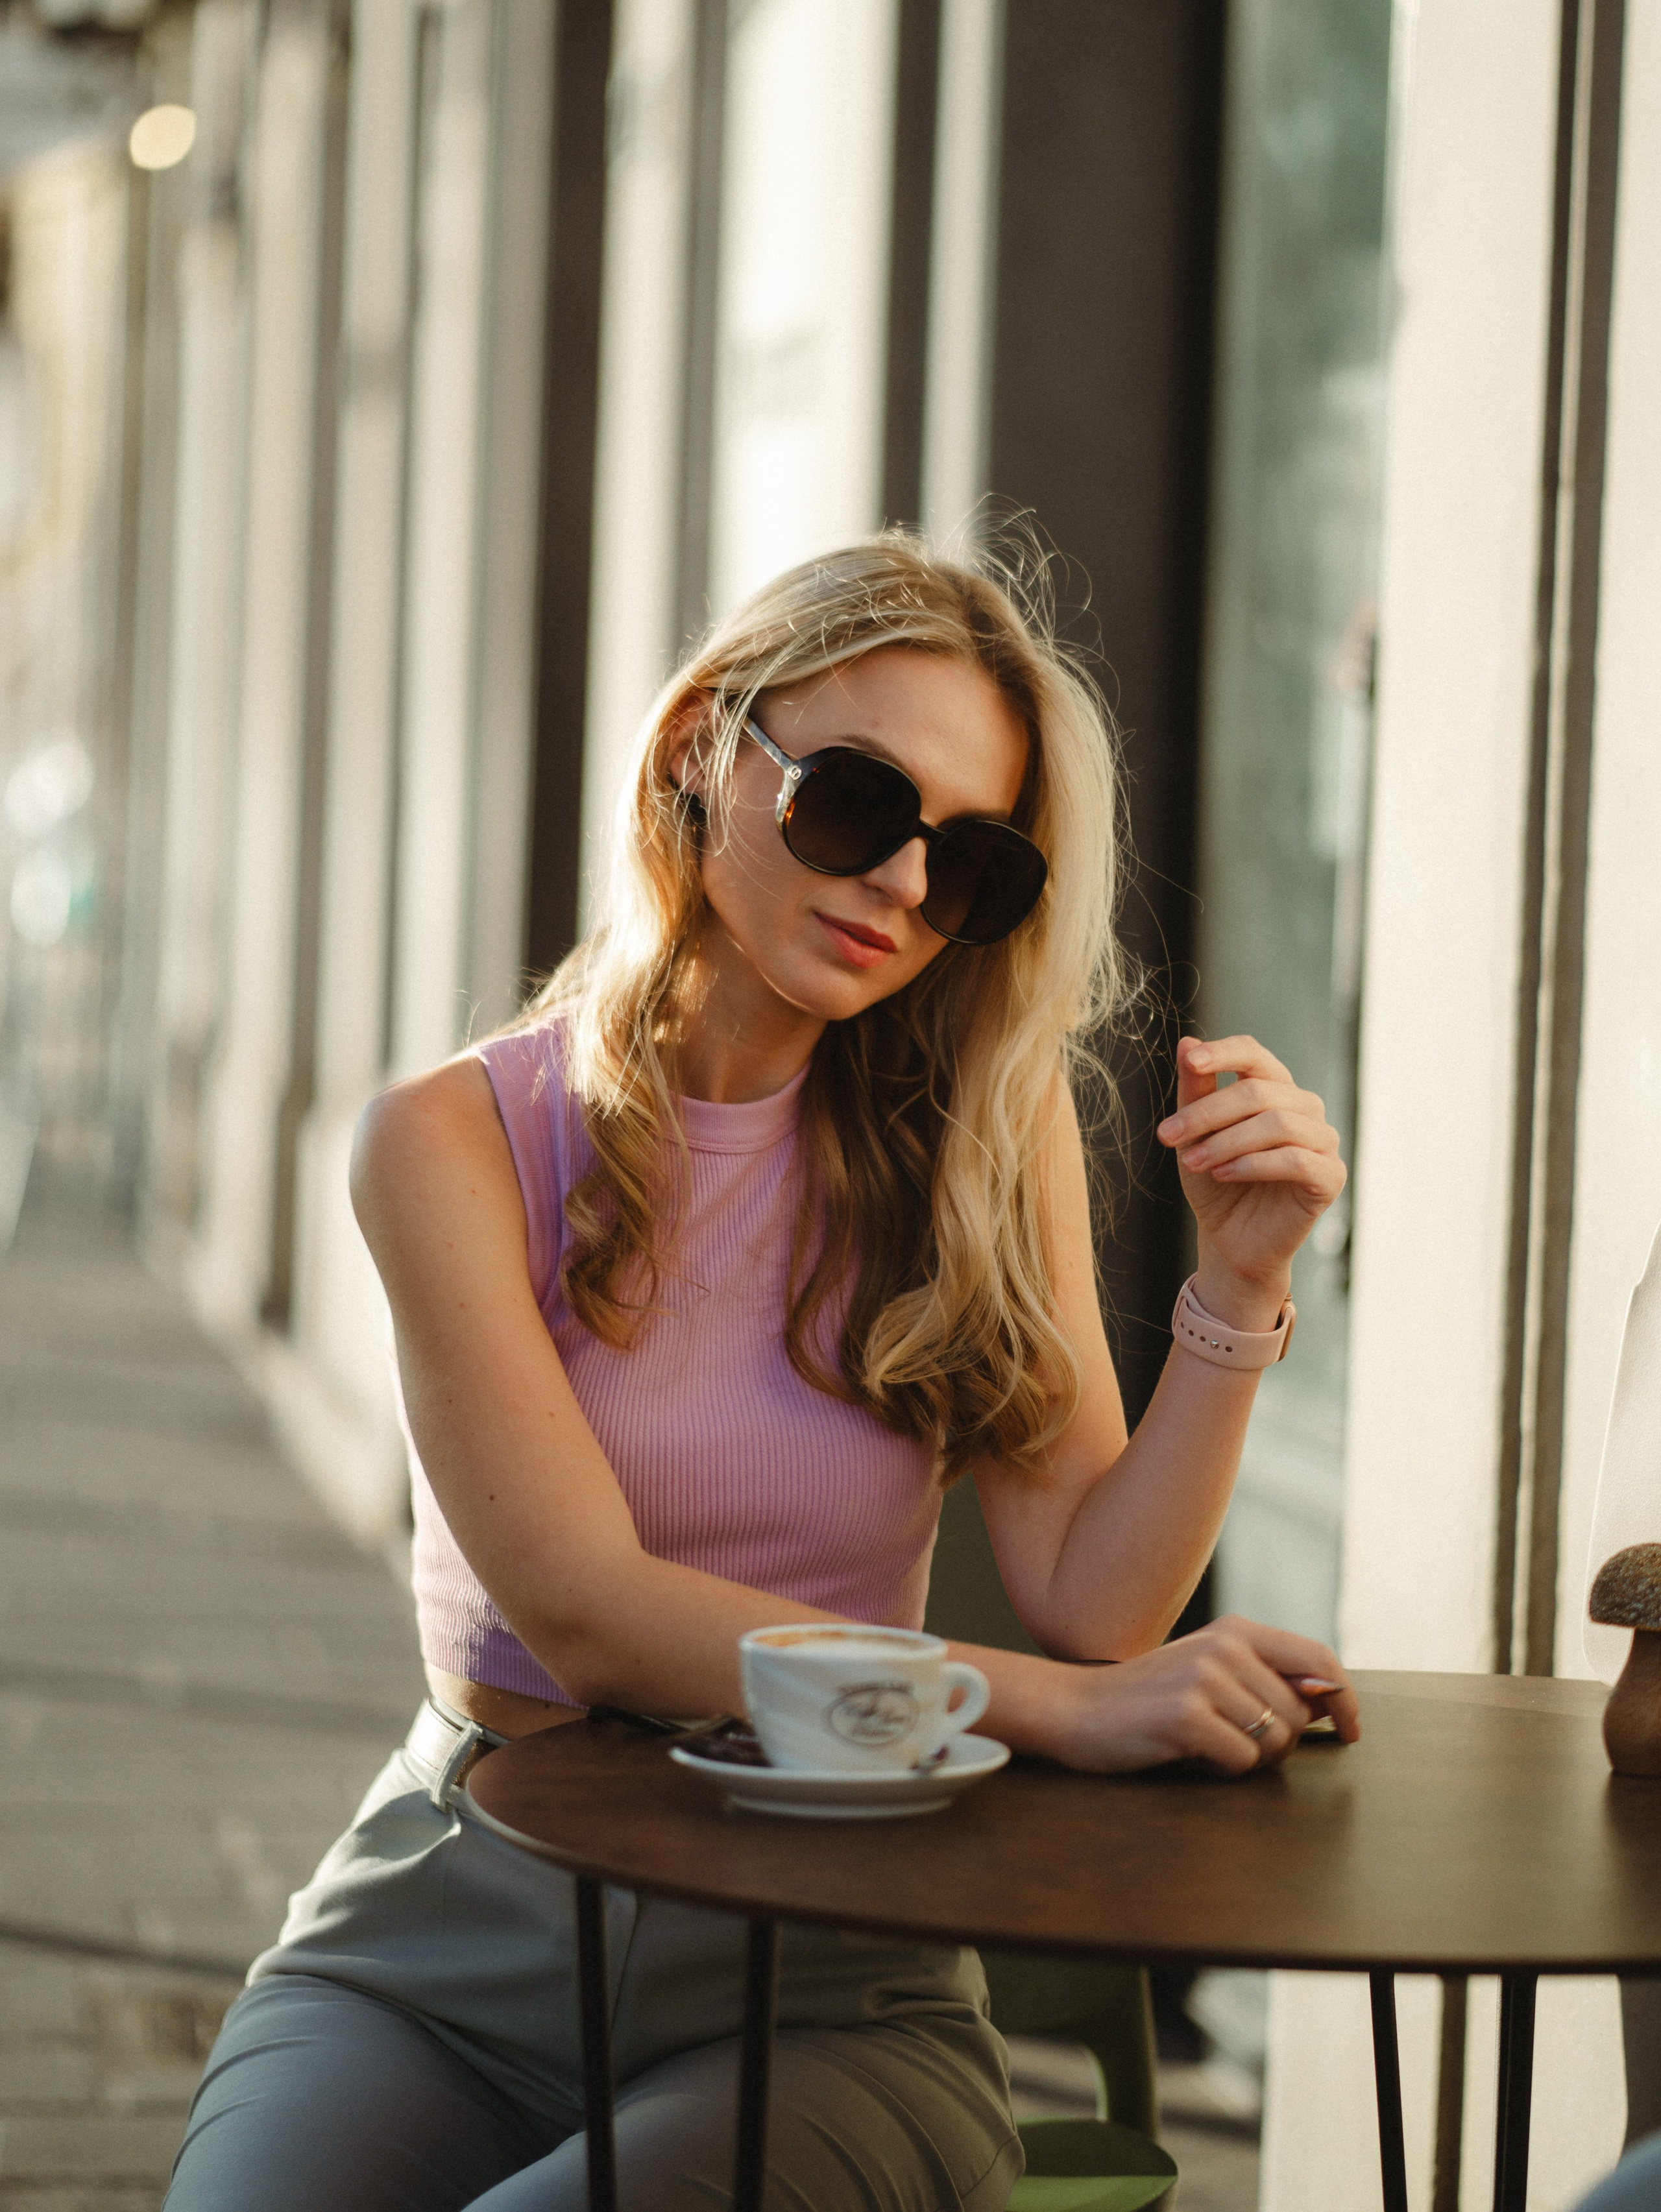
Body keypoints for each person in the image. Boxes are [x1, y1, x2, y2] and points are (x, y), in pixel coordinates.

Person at [164, 535, 1357, 2211]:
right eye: (857, 804)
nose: (897, 886)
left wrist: (1240, 1284)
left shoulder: (980, 1142)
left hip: (833, 1983)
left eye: (972, 864)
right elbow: (583, 1609)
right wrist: (1051, 1711)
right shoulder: (449, 1143)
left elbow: (1097, 1598)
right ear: (700, 751)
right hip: (449, 1936)